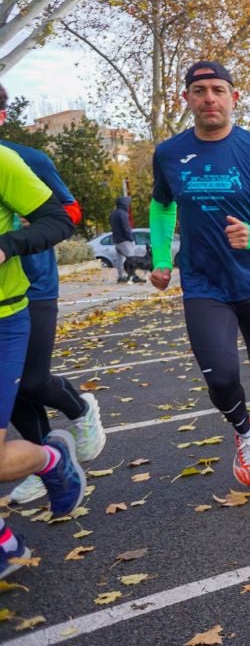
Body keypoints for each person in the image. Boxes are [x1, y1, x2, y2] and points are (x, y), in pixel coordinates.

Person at [150, 60, 250, 490]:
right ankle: (245, 433)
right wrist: (161, 257)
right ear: (186, 99)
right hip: (204, 283)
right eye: (199, 90)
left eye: (218, 90)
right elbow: (162, 205)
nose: (209, 98)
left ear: (233, 97)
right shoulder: (169, 153)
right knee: (220, 377)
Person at [0, 130, 104, 503]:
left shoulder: (26, 158)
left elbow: (68, 212)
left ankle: (79, 409)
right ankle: (43, 465)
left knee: (31, 381)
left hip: (34, 284)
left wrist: (18, 230)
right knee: (16, 392)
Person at [0, 129, 83, 572]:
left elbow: (64, 215)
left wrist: (7, 244)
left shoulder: (10, 160)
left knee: (33, 386)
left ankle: (51, 457)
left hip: (7, 313)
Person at [109, 196, 144, 283]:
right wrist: (131, 239)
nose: (128, 205)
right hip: (125, 240)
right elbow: (126, 228)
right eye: (128, 203)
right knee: (131, 259)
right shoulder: (123, 214)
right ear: (124, 204)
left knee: (120, 259)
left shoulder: (114, 214)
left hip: (117, 240)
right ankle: (133, 276)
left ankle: (121, 276)